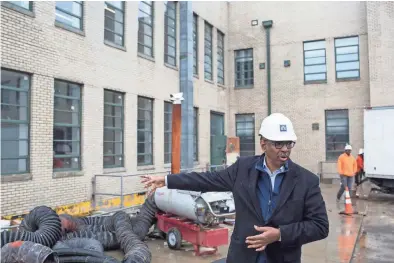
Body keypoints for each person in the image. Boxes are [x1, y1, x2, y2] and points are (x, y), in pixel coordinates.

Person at [141, 113, 329, 263]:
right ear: (263, 143)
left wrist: (280, 234)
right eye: (278, 143)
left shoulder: (306, 181)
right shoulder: (243, 169)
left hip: (282, 257)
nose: (285, 149)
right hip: (243, 256)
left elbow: (320, 226)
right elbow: (207, 180)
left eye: (289, 143)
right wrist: (167, 180)